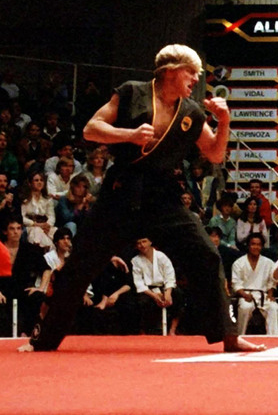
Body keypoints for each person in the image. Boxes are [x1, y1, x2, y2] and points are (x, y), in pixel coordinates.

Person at [20, 44, 263, 352]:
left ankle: (228, 336)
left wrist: (225, 121)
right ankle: (45, 338)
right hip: (122, 191)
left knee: (206, 254)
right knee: (81, 264)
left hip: (163, 194)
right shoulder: (132, 92)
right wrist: (129, 135)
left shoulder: (191, 111)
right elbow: (91, 129)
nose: (195, 79)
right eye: (191, 72)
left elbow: (214, 151)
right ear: (172, 70)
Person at [131, 238, 182, 335]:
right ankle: (145, 331)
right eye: (138, 243)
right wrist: (154, 295)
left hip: (165, 286)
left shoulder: (161, 256)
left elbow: (169, 275)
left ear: (150, 242)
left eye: (144, 241)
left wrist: (168, 292)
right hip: (148, 290)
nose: (142, 245)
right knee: (142, 302)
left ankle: (172, 329)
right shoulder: (135, 260)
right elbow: (138, 282)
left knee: (178, 295)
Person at [231, 233, 278, 335]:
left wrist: (270, 294)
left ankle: (274, 338)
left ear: (262, 246)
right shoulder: (239, 263)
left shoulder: (268, 262)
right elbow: (236, 283)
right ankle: (240, 336)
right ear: (248, 246)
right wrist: (244, 295)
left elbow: (271, 282)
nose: (256, 247)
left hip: (263, 295)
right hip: (245, 294)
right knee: (245, 307)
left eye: (258, 244)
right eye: (253, 244)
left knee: (273, 307)